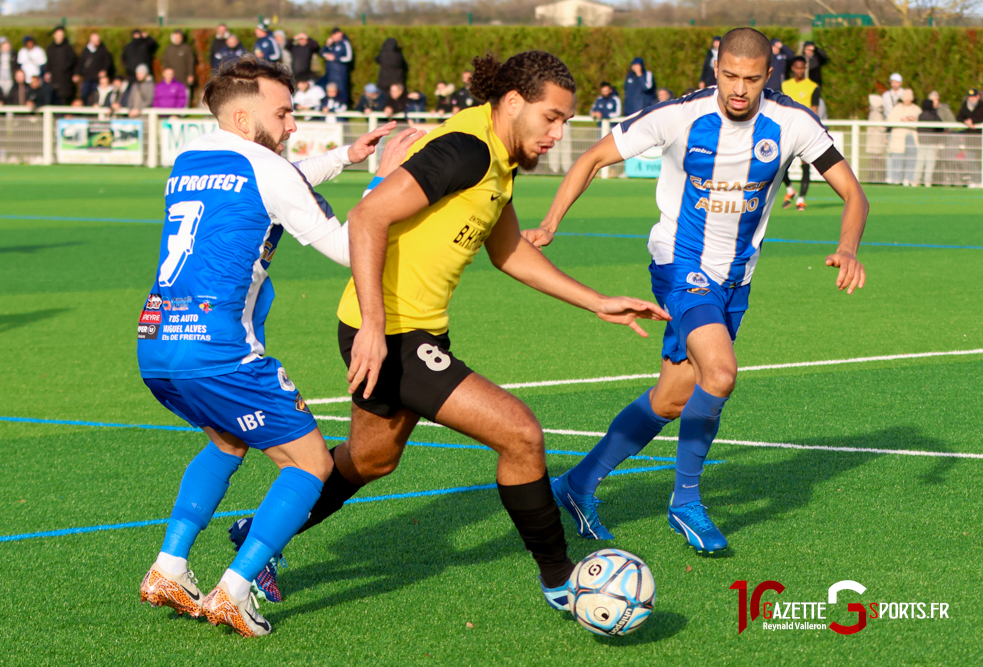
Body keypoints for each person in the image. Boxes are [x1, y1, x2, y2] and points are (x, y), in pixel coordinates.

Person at [227, 50, 668, 610]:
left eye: (565, 120)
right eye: (551, 117)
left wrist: (597, 301)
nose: (559, 132)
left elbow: (507, 251)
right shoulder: (467, 148)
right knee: (521, 435)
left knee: (372, 459)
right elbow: (368, 216)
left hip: (408, 331)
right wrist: (376, 325)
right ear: (513, 103)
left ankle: (259, 537)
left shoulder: (498, 158)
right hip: (389, 335)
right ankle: (563, 582)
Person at [522, 28, 867, 552]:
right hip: (679, 263)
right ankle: (685, 501)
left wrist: (847, 246)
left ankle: (577, 483)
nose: (739, 89)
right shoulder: (678, 116)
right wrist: (549, 224)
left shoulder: (793, 123)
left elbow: (853, 193)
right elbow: (592, 158)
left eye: (751, 79)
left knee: (673, 395)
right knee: (721, 374)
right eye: (730, 75)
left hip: (736, 277)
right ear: (716, 68)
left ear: (768, 76)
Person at [136, 54, 418, 638]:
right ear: (244, 119)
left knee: (227, 438)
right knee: (311, 463)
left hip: (159, 341)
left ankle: (169, 566)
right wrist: (382, 182)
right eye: (284, 113)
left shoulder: (192, 157)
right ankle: (235, 591)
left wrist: (343, 157)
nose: (293, 124)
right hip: (219, 349)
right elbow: (349, 248)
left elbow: (272, 182)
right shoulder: (268, 170)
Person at [781, 56, 820, 210]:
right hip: (786, 131)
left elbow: (815, 110)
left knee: (805, 165)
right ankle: (790, 189)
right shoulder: (784, 86)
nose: (799, 70)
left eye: (801, 68)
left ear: (805, 69)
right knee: (780, 164)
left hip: (804, 131)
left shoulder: (812, 87)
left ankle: (801, 199)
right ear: (792, 68)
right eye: (796, 67)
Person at [956, 88, 983, 187]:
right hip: (971, 138)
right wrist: (966, 121)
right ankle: (975, 180)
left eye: (973, 96)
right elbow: (959, 117)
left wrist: (974, 121)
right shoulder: (965, 105)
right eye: (970, 97)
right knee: (970, 159)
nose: (971, 99)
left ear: (978, 96)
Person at [887, 89, 920, 186]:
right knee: (897, 158)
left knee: (911, 159)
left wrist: (913, 120)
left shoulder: (916, 109)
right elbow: (890, 120)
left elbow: (920, 121)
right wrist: (901, 120)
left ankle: (908, 179)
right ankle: (896, 178)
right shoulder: (897, 108)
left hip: (911, 136)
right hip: (898, 137)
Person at [74, 33, 114, 105]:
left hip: (97, 79)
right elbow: (80, 63)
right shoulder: (86, 50)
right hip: (87, 78)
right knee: (84, 95)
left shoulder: (103, 50)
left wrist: (104, 70)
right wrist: (77, 73)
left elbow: (107, 62)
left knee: (96, 96)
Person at [320, 28, 353, 105]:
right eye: (332, 35)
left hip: (340, 75)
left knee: (341, 92)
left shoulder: (345, 43)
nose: (333, 36)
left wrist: (336, 58)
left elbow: (348, 58)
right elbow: (322, 53)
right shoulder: (332, 45)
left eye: (335, 34)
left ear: (340, 34)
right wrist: (327, 45)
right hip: (330, 75)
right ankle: (331, 108)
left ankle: (342, 110)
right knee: (330, 92)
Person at [915, 98, 943, 187]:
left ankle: (916, 180)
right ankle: (927, 181)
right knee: (930, 162)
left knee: (920, 161)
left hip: (922, 141)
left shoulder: (920, 115)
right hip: (932, 141)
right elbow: (940, 126)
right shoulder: (933, 115)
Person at [46, 26, 76, 104]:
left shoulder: (68, 48)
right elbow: (49, 62)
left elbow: (74, 62)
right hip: (54, 80)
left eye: (62, 35)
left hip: (65, 82)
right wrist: (47, 72)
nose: (60, 37)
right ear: (54, 35)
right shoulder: (50, 48)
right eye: (58, 35)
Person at [162, 30, 197, 98]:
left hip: (183, 78)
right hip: (172, 79)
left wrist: (190, 74)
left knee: (184, 96)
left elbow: (191, 62)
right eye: (176, 37)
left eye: (179, 37)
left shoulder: (186, 48)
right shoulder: (169, 49)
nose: (177, 39)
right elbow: (165, 62)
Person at [864, 93, 886, 183]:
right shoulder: (877, 114)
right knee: (877, 160)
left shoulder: (873, 113)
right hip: (876, 140)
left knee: (874, 160)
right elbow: (881, 127)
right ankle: (879, 178)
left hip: (874, 140)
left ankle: (872, 178)